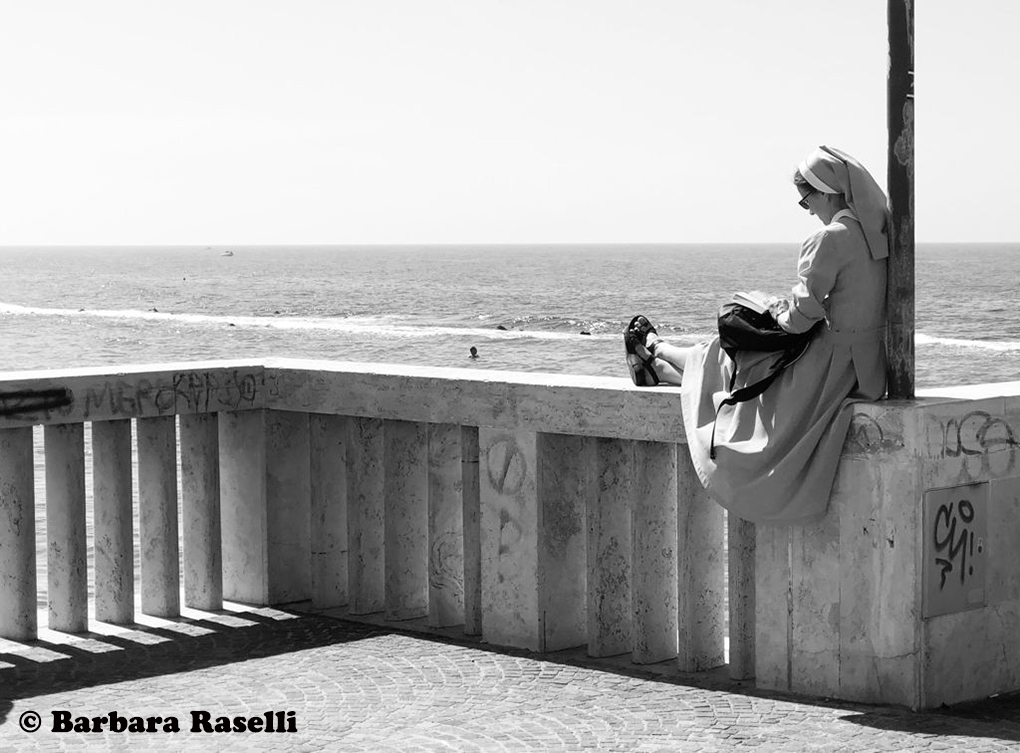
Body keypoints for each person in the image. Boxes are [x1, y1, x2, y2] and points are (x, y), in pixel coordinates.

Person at [624, 145, 889, 525]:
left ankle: (656, 347)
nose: (809, 209)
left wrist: (775, 310)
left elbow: (801, 318)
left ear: (828, 191)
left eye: (806, 200)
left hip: (826, 367)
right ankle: (662, 368)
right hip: (866, 371)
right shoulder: (879, 235)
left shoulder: (829, 238)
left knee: (727, 350)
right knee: (741, 363)